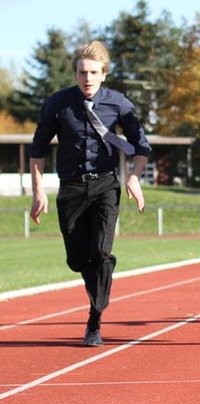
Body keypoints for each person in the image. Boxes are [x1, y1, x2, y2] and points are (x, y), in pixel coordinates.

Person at [28, 40, 150, 346]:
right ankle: (101, 273)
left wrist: (134, 178)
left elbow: (140, 146)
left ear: (104, 74)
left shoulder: (119, 104)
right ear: (75, 73)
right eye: (83, 72)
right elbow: (38, 149)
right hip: (70, 188)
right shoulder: (58, 104)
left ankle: (95, 318)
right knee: (77, 260)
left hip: (106, 185)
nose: (88, 78)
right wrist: (38, 192)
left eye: (94, 72)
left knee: (100, 251)